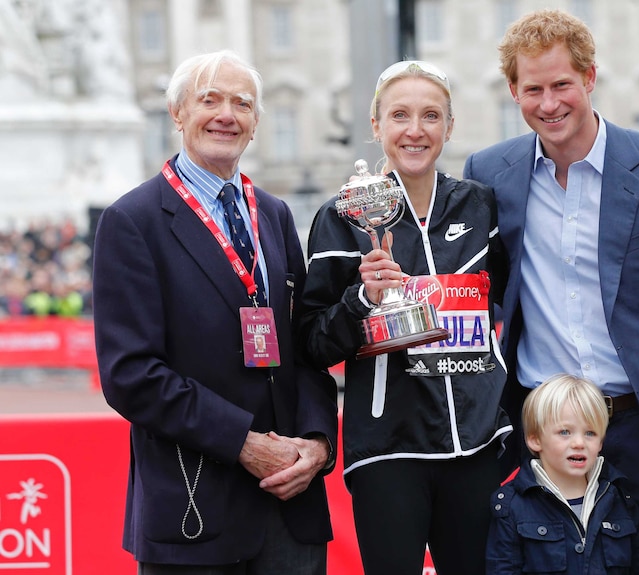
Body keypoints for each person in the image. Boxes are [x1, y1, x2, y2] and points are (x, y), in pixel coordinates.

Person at [462, 8, 639, 511]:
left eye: (561, 84)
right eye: (533, 90)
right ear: (513, 91)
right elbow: (479, 289)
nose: (549, 104)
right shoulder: (488, 172)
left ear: (590, 77)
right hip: (539, 433)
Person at [92, 50, 338, 574]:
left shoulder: (272, 214)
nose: (227, 114)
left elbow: (303, 346)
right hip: (193, 504)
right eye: (210, 100)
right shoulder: (132, 220)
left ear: (254, 124)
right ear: (177, 113)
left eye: (242, 103)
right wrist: (242, 443)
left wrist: (317, 445)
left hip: (290, 505)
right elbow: (130, 375)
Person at [299, 60, 510, 575]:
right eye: (399, 115)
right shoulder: (342, 215)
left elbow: (506, 302)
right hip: (389, 449)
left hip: (478, 445)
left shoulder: (480, 205)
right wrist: (362, 300)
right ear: (376, 126)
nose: (415, 130)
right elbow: (311, 342)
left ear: (449, 127)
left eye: (431, 116)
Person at [486, 374, 639, 574]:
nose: (579, 443)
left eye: (590, 433)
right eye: (565, 432)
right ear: (534, 439)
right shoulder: (510, 506)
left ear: (601, 442)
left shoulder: (620, 498)